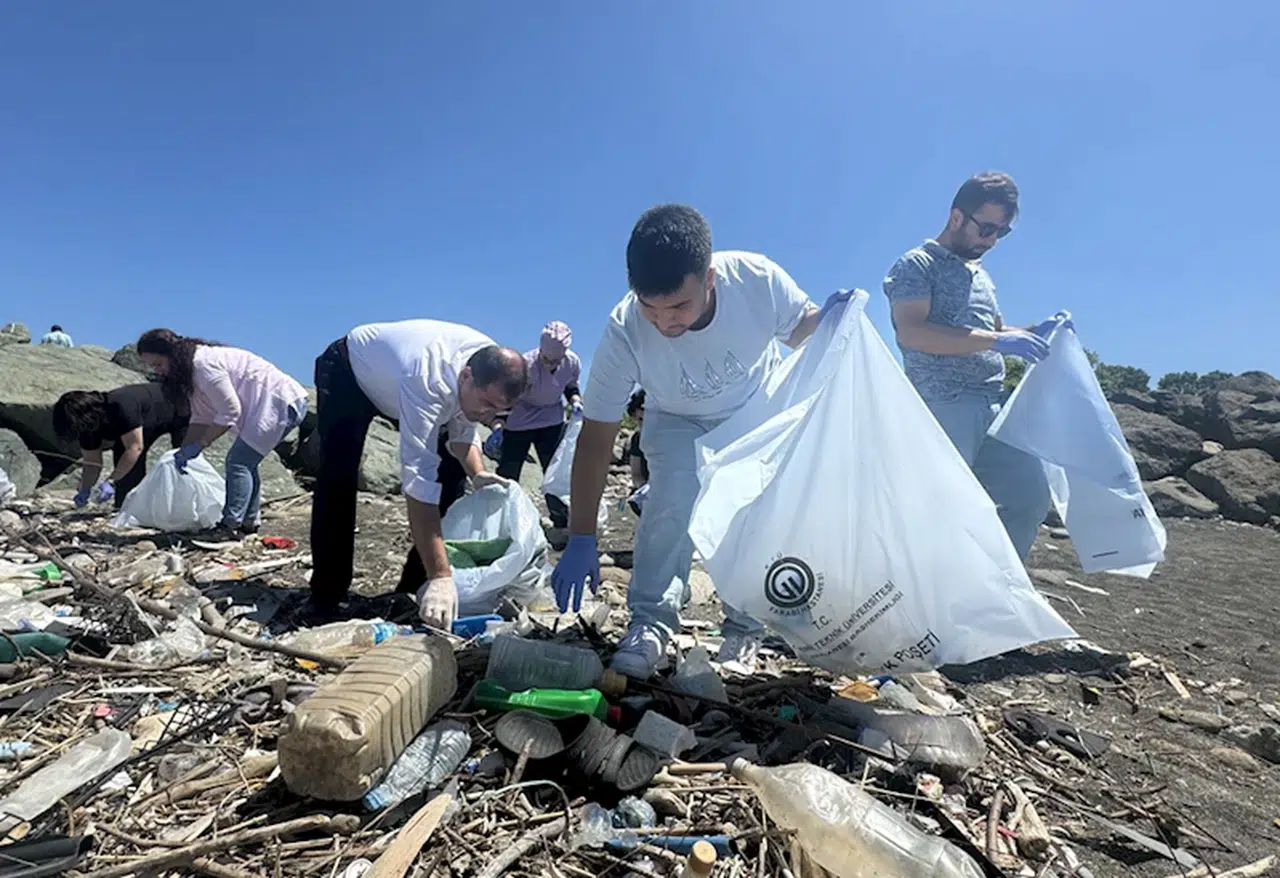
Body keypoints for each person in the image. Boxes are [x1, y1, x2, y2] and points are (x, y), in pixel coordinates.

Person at [551, 204, 824, 678]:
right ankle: (650, 623)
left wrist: (838, 320)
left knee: (749, 517)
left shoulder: (756, 280)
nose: (664, 323)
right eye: (650, 307)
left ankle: (743, 628)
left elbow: (809, 334)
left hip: (753, 414)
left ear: (710, 279)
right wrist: (580, 536)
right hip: (676, 417)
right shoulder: (625, 329)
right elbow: (595, 438)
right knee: (670, 502)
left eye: (679, 306)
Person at [883, 172, 1068, 560]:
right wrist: (997, 341)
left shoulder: (980, 274)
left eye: (1002, 232)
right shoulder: (916, 265)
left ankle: (996, 589)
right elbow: (912, 332)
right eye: (986, 228)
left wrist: (1036, 331)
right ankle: (925, 592)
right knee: (939, 512)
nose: (992, 240)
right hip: (943, 405)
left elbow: (995, 330)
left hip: (994, 406)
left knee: (1029, 498)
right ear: (956, 217)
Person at [308, 319, 526, 629]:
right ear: (466, 376)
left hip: (403, 383)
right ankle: (326, 595)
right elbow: (418, 481)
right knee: (339, 478)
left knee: (453, 479)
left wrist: (478, 474)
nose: (487, 415)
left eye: (498, 411)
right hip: (351, 373)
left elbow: (462, 432)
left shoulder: (485, 371)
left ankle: (413, 588)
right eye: (486, 404)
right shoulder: (428, 381)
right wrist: (442, 575)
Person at [136, 329, 308, 538]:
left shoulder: (203, 365)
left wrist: (202, 444)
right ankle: (249, 522)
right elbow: (201, 416)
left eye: (159, 364)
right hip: (268, 405)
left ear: (172, 354)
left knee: (238, 463)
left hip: (279, 402)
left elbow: (230, 410)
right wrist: (184, 450)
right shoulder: (190, 372)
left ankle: (230, 526)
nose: (158, 371)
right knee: (246, 463)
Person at [485, 321, 581, 528]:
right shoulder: (525, 366)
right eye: (546, 359)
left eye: (555, 361)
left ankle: (561, 521)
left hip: (551, 420)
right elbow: (508, 399)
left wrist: (575, 401)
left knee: (554, 471)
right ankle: (501, 521)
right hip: (520, 419)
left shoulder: (572, 363)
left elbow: (570, 386)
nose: (550, 364)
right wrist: (498, 426)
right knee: (509, 470)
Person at [53, 384, 190, 509]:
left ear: (87, 416)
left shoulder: (121, 405)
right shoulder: (86, 426)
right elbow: (92, 463)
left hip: (177, 408)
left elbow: (135, 447)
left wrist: (111, 481)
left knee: (183, 461)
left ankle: (186, 506)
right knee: (123, 462)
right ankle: (128, 509)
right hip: (144, 423)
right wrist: (85, 489)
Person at [625, 390, 648, 515]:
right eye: (640, 420)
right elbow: (636, 473)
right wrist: (644, 486)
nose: (644, 425)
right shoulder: (637, 439)